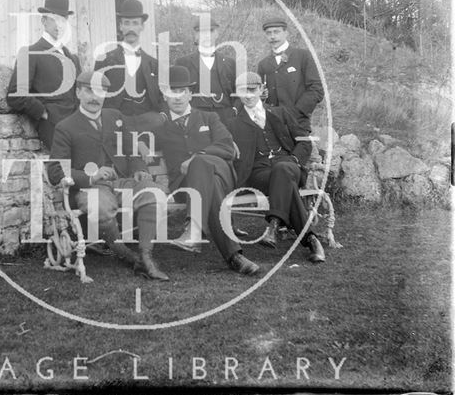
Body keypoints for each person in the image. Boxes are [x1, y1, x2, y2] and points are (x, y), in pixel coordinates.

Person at [47, 71, 170, 281]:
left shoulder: (115, 117)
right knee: (100, 205)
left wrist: (140, 168)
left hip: (122, 182)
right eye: (89, 91)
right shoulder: (65, 127)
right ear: (78, 93)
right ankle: (124, 253)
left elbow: (131, 151)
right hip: (91, 188)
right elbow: (55, 170)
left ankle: (146, 256)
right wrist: (92, 176)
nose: (95, 97)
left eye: (100, 92)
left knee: (154, 192)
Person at [153, 65, 260, 276]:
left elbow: (227, 147)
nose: (177, 97)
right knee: (210, 186)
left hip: (222, 171)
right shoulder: (160, 126)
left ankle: (194, 229)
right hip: (185, 183)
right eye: (171, 92)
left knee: (200, 163)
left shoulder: (209, 118)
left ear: (190, 93)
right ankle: (234, 257)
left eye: (182, 91)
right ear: (165, 96)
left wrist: (196, 156)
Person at [226, 71, 325, 263]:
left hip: (290, 165)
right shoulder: (234, 123)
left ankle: (274, 225)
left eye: (252, 90)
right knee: (284, 178)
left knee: (283, 169)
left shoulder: (280, 113)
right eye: (241, 91)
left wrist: (296, 159)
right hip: (259, 174)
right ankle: (310, 238)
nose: (247, 95)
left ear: (262, 89)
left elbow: (304, 141)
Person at [7, 0, 81, 149]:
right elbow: (15, 94)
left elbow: (79, 94)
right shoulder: (30, 53)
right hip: (52, 126)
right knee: (62, 170)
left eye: (63, 19)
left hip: (76, 126)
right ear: (44, 20)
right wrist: (43, 113)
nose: (59, 25)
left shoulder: (73, 58)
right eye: (54, 19)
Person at [93, 0, 165, 133]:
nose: (131, 28)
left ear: (142, 26)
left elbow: (163, 97)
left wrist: (162, 116)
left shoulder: (154, 64)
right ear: (120, 26)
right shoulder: (105, 60)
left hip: (147, 124)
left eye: (135, 23)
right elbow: (96, 93)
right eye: (127, 23)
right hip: (114, 124)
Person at [257, 18, 324, 132]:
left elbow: (316, 89)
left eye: (276, 32)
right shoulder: (263, 64)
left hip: (298, 123)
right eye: (269, 33)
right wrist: (261, 97)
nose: (272, 36)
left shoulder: (303, 56)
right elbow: (258, 94)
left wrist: (297, 112)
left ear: (286, 33)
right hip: (273, 125)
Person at [174, 16, 239, 123]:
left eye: (211, 31)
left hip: (225, 118)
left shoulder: (230, 63)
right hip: (194, 118)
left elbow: (239, 91)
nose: (207, 36)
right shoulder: (182, 63)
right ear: (196, 35)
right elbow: (176, 93)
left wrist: (235, 109)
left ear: (217, 34)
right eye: (202, 32)